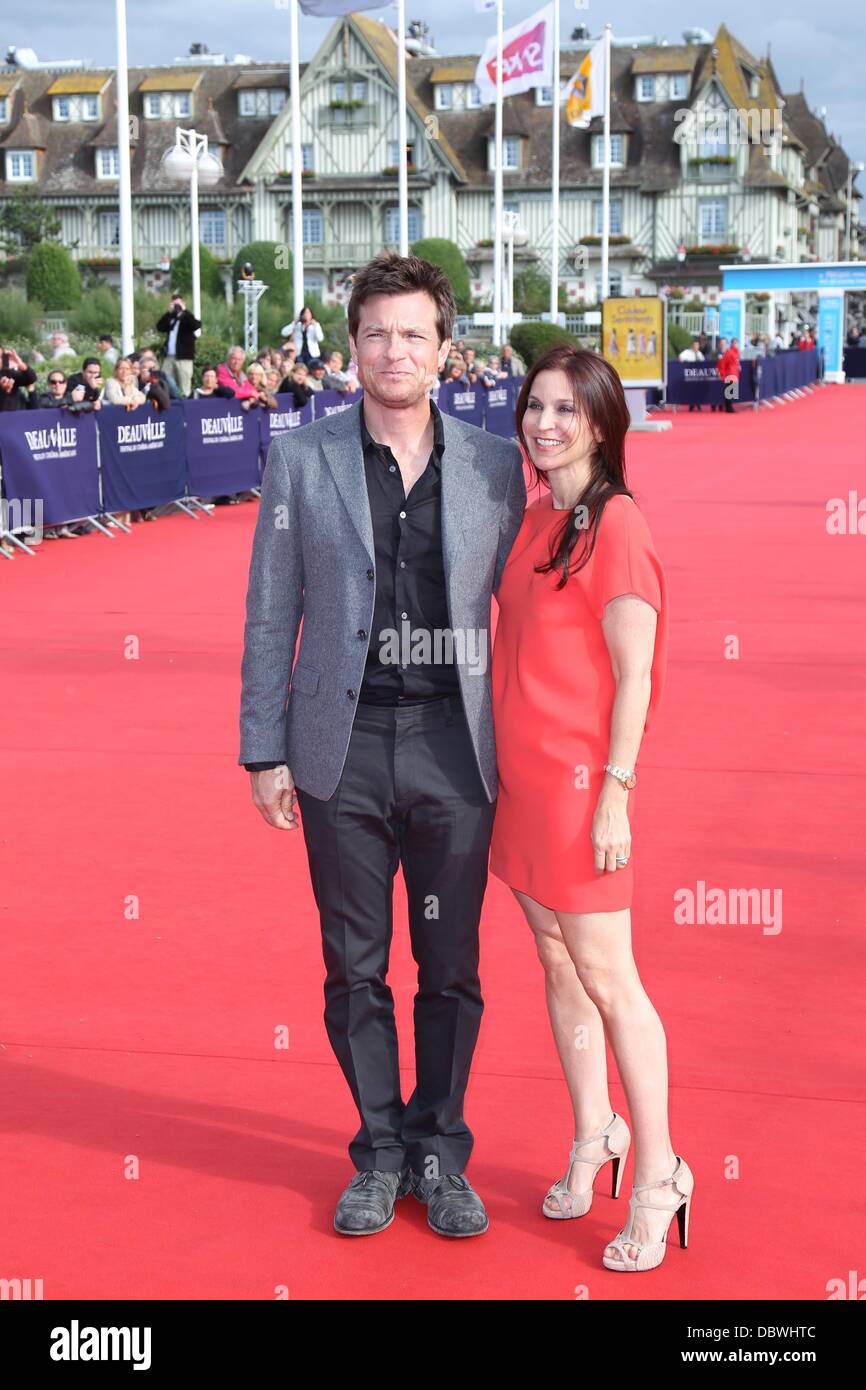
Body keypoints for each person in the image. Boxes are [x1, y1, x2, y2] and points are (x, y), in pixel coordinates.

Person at [239, 251, 526, 1240]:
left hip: (455, 751)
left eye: (412, 334)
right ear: (350, 346)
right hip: (341, 750)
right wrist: (262, 750)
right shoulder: (299, 458)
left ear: (444, 349)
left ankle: (440, 1153)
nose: (393, 350)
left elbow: (531, 609)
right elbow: (271, 610)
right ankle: (377, 1151)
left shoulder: (493, 465)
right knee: (353, 966)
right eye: (376, 333)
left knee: (449, 966)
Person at [489, 344, 692, 1273]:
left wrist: (615, 791)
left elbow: (637, 675)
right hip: (520, 787)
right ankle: (593, 1133)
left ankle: (660, 1175)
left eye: (568, 408)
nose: (547, 422)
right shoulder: (536, 516)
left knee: (614, 984)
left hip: (581, 792)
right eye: (536, 405)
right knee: (557, 964)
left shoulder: (618, 525)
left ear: (604, 423)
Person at [156, 292, 201, 397]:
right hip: (169, 356)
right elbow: (159, 327)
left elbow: (196, 325)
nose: (176, 307)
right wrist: (168, 313)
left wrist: (184, 312)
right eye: (174, 304)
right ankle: (167, 400)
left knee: (185, 386)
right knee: (163, 379)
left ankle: (187, 405)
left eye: (178, 304)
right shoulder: (170, 318)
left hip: (184, 357)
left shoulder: (186, 318)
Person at [717, 336, 740, 412]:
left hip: (734, 372)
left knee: (731, 391)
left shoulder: (736, 352)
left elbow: (736, 361)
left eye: (737, 343)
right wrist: (722, 373)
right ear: (732, 344)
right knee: (729, 391)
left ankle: (728, 407)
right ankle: (729, 408)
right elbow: (723, 363)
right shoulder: (730, 352)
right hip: (730, 373)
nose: (736, 345)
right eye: (735, 343)